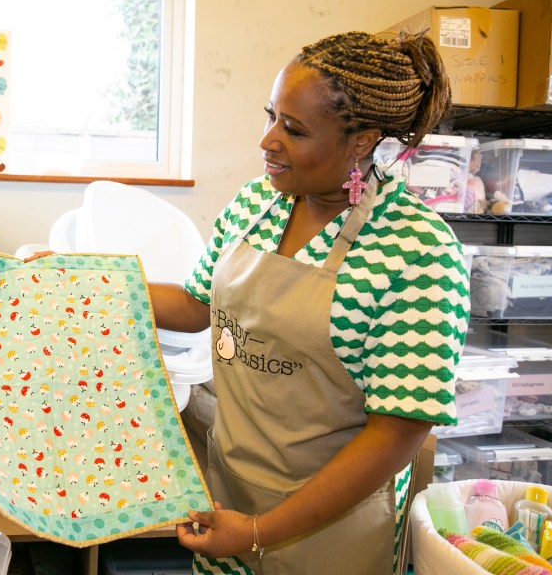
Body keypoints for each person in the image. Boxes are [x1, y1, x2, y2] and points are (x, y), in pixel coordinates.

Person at [149, 31, 470, 575]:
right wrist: (82, 279)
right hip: (229, 501)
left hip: (328, 530)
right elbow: (194, 304)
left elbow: (397, 432)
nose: (267, 140)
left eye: (293, 129)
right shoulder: (258, 204)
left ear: (363, 140)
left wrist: (258, 533)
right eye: (271, 116)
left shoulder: (418, 253)